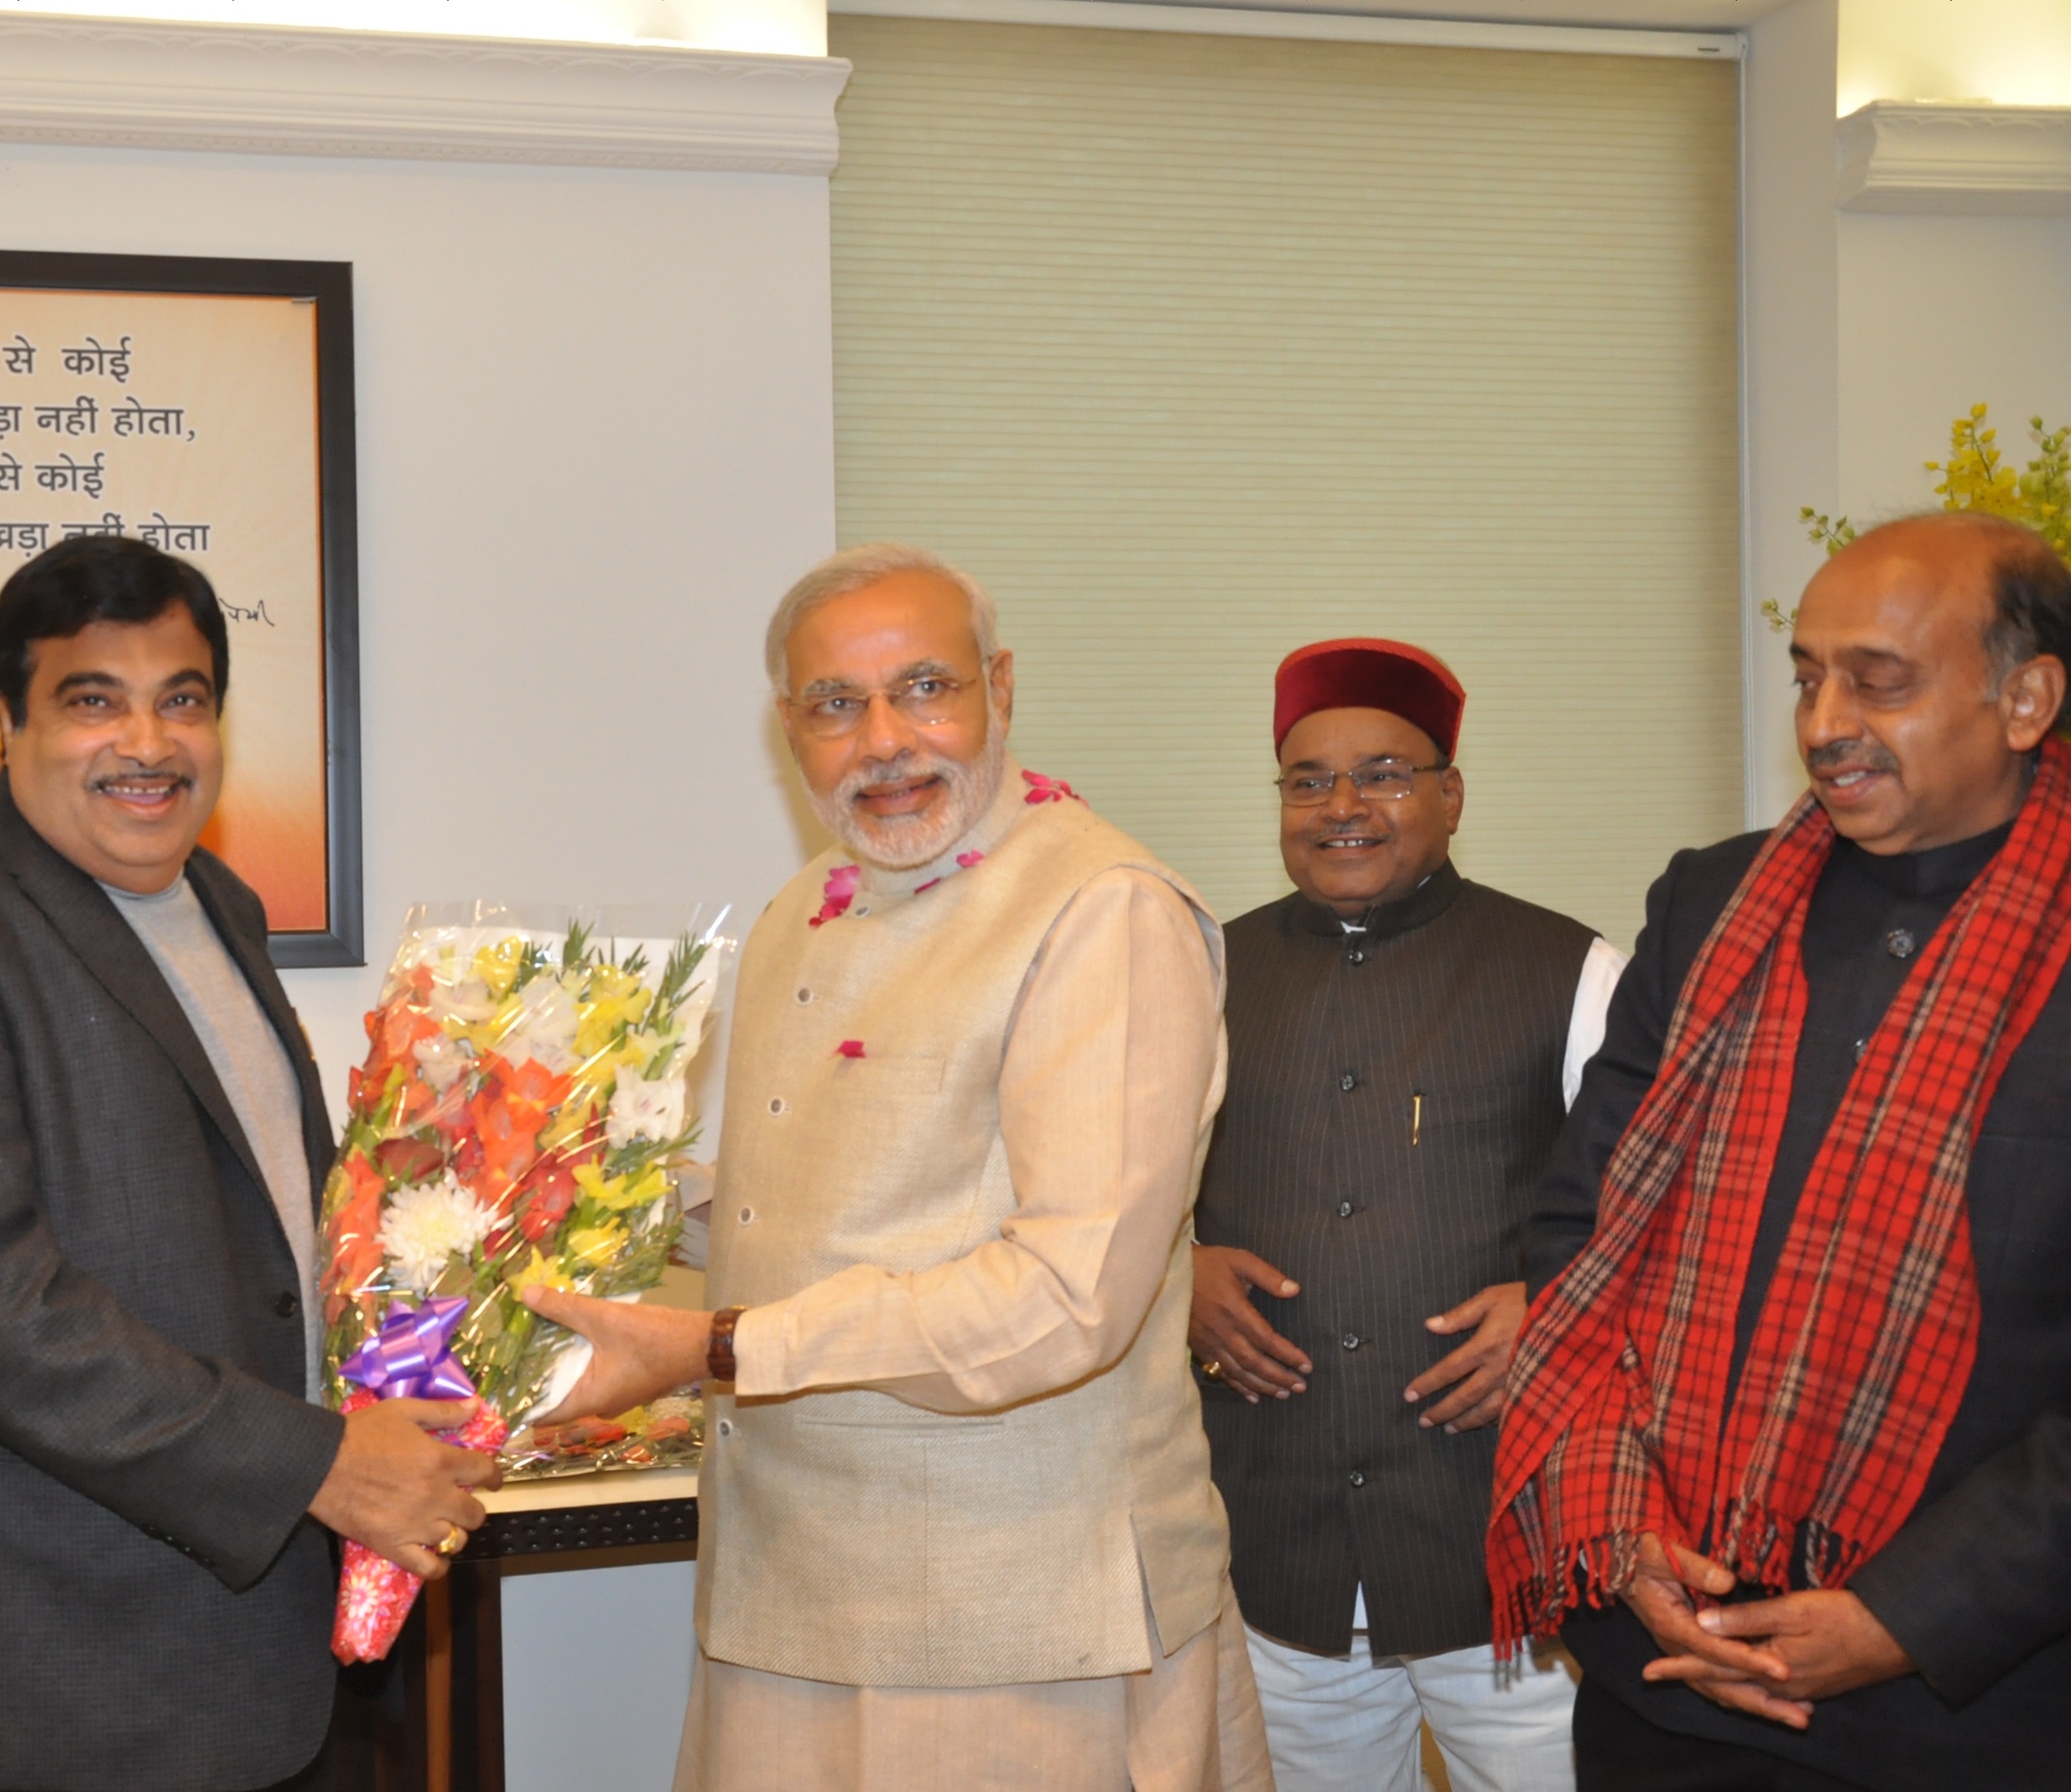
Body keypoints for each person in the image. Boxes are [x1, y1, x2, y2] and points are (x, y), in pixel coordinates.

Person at [527, 543, 1272, 1792]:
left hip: (1016, 1626)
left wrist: (709, 1350)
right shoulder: (804, 905)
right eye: (836, 705)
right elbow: (828, 1209)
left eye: (924, 688)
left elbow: (1063, 1301)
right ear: (789, 730)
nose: (884, 740)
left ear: (1001, 686)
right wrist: (592, 1191)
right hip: (786, 1593)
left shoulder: (1105, 912)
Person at [0, 537, 499, 1792]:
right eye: (93, 700)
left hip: (254, 1669)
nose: (148, 742)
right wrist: (321, 1463)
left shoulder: (221, 907)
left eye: (184, 699)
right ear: (8, 724)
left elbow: (265, 1253)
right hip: (32, 1693)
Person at [1494, 513, 2071, 1791]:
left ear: (2026, 698)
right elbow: (1580, 1241)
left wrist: (1909, 1617)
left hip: (1976, 1705)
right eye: (1809, 674)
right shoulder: (1711, 904)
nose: (1823, 723)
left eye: (1881, 679)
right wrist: (1615, 1525)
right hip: (1662, 1669)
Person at [1190, 638, 1620, 1792]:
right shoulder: (1196, 978)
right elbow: (1099, 1202)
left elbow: (1681, 1214)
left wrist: (1555, 1310)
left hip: (1515, 1570)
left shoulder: (1573, 970)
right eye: (1308, 779)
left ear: (1451, 792)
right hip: (1275, 1559)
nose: (1343, 806)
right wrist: (1176, 1270)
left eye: (1383, 771)